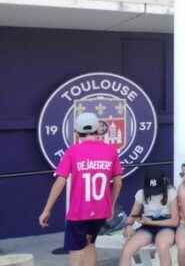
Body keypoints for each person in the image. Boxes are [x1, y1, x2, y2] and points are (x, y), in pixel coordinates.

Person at [39, 112, 123, 266]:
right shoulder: (110, 151)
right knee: (90, 244)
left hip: (79, 212)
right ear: (98, 130)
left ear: (77, 133)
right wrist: (110, 205)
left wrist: (47, 209)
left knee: (76, 251)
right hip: (101, 211)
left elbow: (60, 181)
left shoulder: (72, 151)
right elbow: (118, 182)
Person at [120, 169, 178, 266]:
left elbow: (175, 221)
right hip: (147, 226)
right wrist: (128, 225)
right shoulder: (141, 193)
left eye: (157, 190)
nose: (154, 193)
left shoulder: (171, 192)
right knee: (127, 250)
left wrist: (151, 222)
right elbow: (133, 215)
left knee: (162, 246)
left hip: (167, 224)